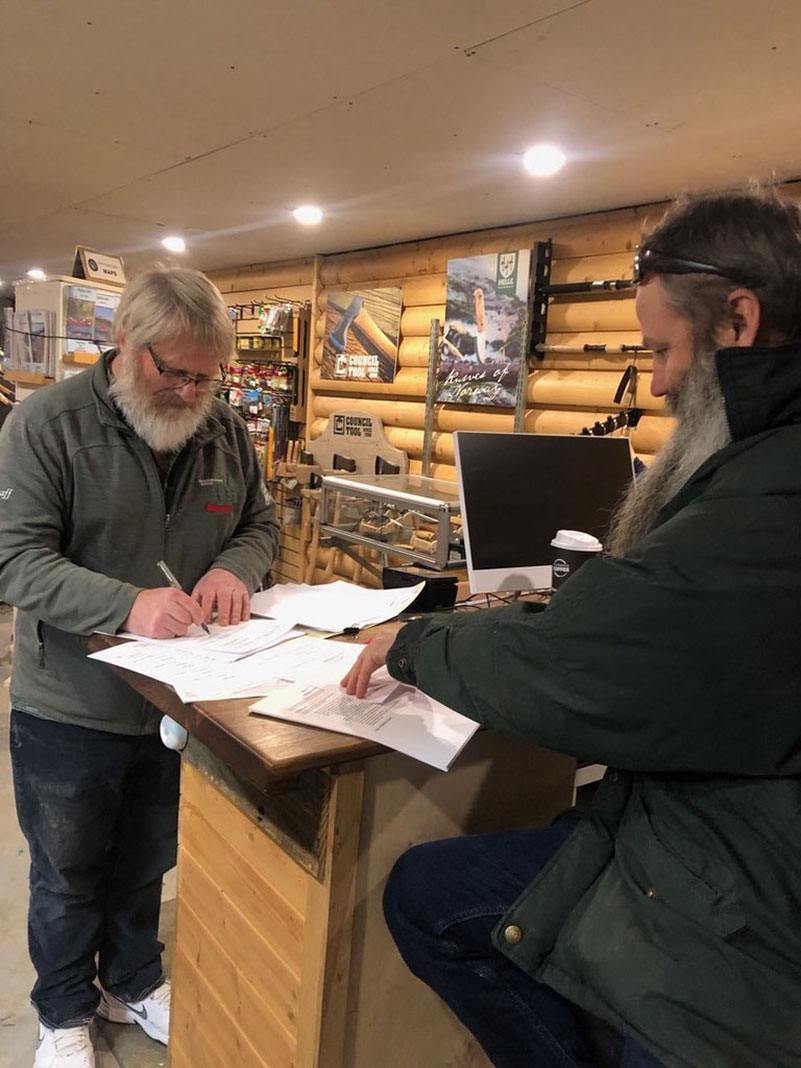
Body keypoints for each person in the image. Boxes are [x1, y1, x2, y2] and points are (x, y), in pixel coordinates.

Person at [342, 189, 801, 1068]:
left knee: (437, 898)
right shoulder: (764, 468)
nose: (659, 383)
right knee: (435, 891)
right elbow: (654, 624)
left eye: (665, 350)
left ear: (737, 321)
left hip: (743, 911)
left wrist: (416, 640)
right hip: (714, 829)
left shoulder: (770, 487)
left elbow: (581, 669)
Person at [0, 267, 279, 1068]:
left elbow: (258, 523)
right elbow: (12, 559)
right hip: (71, 704)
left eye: (206, 375)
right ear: (122, 341)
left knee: (146, 859)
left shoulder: (222, 428)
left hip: (182, 698)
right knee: (67, 872)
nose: (192, 391)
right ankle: (62, 1013)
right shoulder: (45, 424)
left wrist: (238, 570)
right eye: (174, 371)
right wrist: (126, 606)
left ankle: (131, 978)